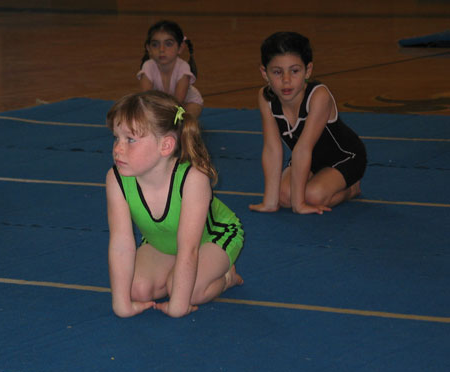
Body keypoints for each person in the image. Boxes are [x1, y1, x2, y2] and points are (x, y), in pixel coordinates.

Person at [106, 90, 244, 318]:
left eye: (130, 140)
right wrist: (121, 305)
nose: (118, 149)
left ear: (166, 146)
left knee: (189, 293)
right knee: (136, 289)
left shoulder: (192, 180)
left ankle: (227, 277)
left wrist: (179, 306)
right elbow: (121, 243)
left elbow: (189, 249)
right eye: (116, 138)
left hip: (213, 237)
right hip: (164, 241)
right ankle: (174, 276)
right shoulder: (117, 179)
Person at [249, 32, 367, 215]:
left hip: (345, 157)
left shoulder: (318, 96)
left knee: (312, 196)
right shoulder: (266, 98)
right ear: (265, 73)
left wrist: (300, 205)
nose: (286, 80)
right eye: (277, 72)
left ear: (308, 70)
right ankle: (297, 194)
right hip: (308, 159)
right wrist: (270, 202)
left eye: (294, 71)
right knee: (283, 196)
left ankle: (351, 189)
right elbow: (272, 148)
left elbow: (303, 148)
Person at [137, 20, 203, 118]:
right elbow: (146, 98)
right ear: (148, 48)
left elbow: (178, 102)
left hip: (186, 103)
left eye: (168, 44)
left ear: (180, 47)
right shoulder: (148, 67)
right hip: (160, 105)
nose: (161, 49)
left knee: (185, 118)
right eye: (155, 44)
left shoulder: (183, 67)